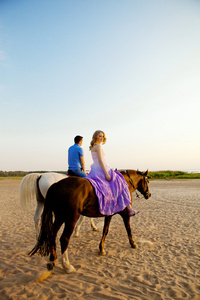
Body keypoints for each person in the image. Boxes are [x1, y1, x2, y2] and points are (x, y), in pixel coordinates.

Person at [86, 130, 140, 216]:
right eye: (100, 136)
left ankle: (129, 208)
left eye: (103, 136)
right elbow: (100, 161)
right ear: (96, 136)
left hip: (95, 169)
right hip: (101, 169)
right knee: (120, 183)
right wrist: (106, 174)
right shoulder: (98, 146)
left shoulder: (93, 147)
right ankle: (129, 209)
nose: (102, 138)